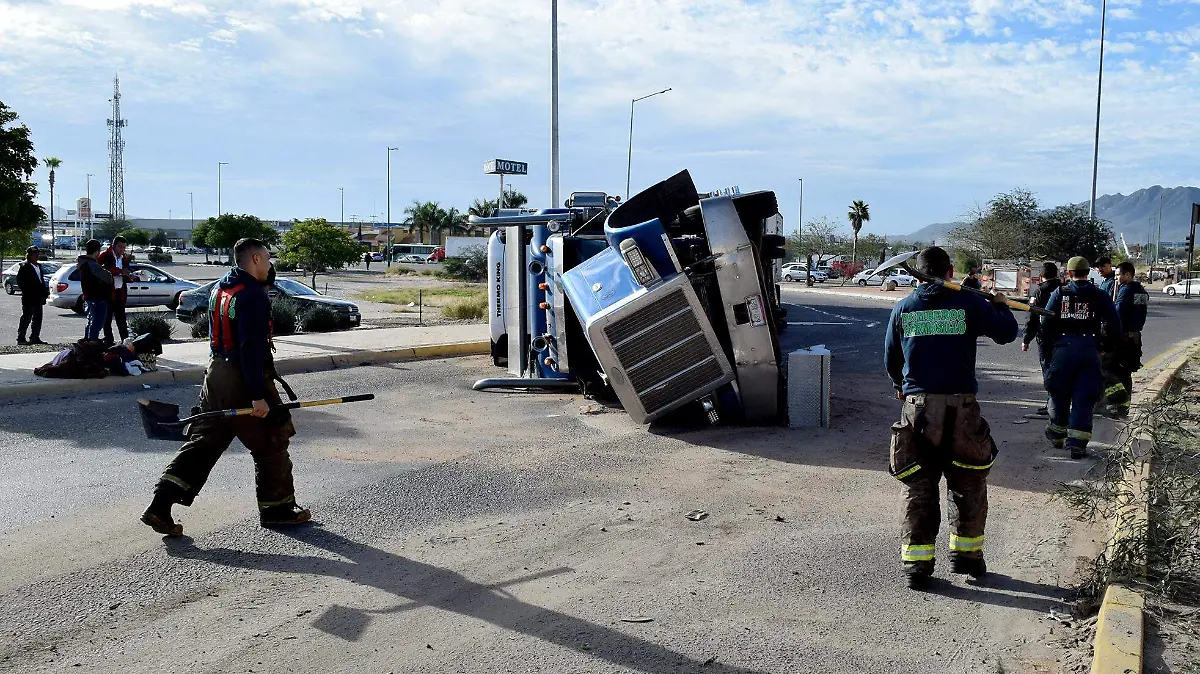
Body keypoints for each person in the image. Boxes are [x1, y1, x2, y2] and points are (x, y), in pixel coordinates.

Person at [142, 238, 310, 537]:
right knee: (272, 436)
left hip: (216, 374)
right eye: (268, 259)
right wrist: (258, 395)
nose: (271, 265)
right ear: (256, 259)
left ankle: (160, 505)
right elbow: (250, 347)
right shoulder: (252, 295)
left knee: (205, 441)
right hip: (241, 377)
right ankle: (278, 509)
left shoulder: (222, 286)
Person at [885, 246, 1018, 589]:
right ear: (950, 271)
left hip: (918, 409)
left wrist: (901, 385)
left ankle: (917, 565)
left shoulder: (904, 308)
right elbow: (1006, 333)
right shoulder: (969, 304)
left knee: (918, 485)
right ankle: (967, 557)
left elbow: (891, 357)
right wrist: (1000, 306)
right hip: (962, 409)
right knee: (968, 481)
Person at [1040, 256, 1121, 459]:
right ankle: (1077, 445)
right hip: (1089, 352)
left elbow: (1046, 324)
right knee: (1084, 397)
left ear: (1068, 274)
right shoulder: (1099, 294)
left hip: (1063, 351)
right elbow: (1114, 324)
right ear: (1088, 272)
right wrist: (1105, 347)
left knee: (1059, 393)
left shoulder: (1060, 293)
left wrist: (1050, 351)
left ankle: (1057, 435)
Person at [1108, 261, 1149, 418]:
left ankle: (1116, 405)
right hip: (1135, 338)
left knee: (1113, 371)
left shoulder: (1125, 291)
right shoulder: (1142, 291)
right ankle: (1124, 407)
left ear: (1127, 274)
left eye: (1119, 275)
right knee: (1126, 372)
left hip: (1123, 338)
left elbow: (1117, 315)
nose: (1117, 278)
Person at [1021, 262, 1063, 416]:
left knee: (1048, 371)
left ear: (1041, 275)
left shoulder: (1039, 292)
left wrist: (1026, 339)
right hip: (1065, 338)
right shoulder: (1065, 290)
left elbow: (1031, 316)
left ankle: (1052, 405)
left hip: (1046, 338)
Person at [76, 239, 114, 342]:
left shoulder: (84, 263)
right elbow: (108, 278)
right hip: (98, 297)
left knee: (91, 319)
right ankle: (92, 341)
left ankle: (87, 340)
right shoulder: (92, 265)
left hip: (90, 296)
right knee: (98, 321)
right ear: (97, 252)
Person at [98, 236, 132, 344]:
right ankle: (109, 340)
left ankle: (125, 341)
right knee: (106, 320)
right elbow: (100, 270)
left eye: (124, 247)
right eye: (120, 247)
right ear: (114, 246)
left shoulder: (124, 258)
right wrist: (119, 271)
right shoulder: (105, 255)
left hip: (120, 292)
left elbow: (126, 272)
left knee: (121, 320)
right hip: (107, 293)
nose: (122, 250)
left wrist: (130, 276)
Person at [16, 246, 48, 345]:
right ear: (29, 255)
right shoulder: (24, 266)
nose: (37, 255)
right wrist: (27, 291)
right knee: (26, 317)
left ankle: (35, 337)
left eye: (38, 253)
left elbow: (41, 280)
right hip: (29, 297)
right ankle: (21, 338)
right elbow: (20, 281)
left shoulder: (39, 266)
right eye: (34, 254)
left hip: (38, 297)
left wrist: (44, 292)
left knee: (38, 318)